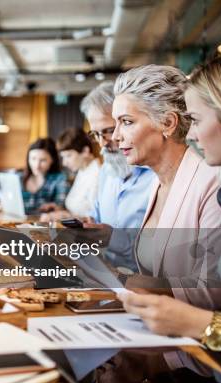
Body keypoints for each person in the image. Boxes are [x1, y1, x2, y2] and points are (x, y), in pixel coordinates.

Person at [119, 56, 221, 356]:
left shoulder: (213, 179)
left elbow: (213, 295)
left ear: (168, 123)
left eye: (126, 122)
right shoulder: (157, 180)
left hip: (195, 358)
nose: (115, 137)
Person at [77, 81, 156, 272]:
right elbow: (97, 219)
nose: (104, 143)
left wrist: (111, 237)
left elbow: (162, 255)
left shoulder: (157, 177)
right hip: (106, 277)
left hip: (147, 288)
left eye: (109, 131)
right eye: (96, 134)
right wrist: (88, 227)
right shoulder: (106, 171)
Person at [40, 127, 101, 221]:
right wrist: (59, 209)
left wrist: (64, 216)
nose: (64, 163)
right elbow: (80, 208)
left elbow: (96, 218)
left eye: (68, 156)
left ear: (85, 151)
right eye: (63, 157)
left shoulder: (98, 175)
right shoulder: (83, 171)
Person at [20, 138, 69, 215]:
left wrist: (55, 207)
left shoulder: (59, 179)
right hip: (16, 223)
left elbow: (61, 205)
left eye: (43, 160)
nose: (37, 165)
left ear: (52, 160)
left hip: (44, 224)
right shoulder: (19, 178)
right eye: (33, 159)